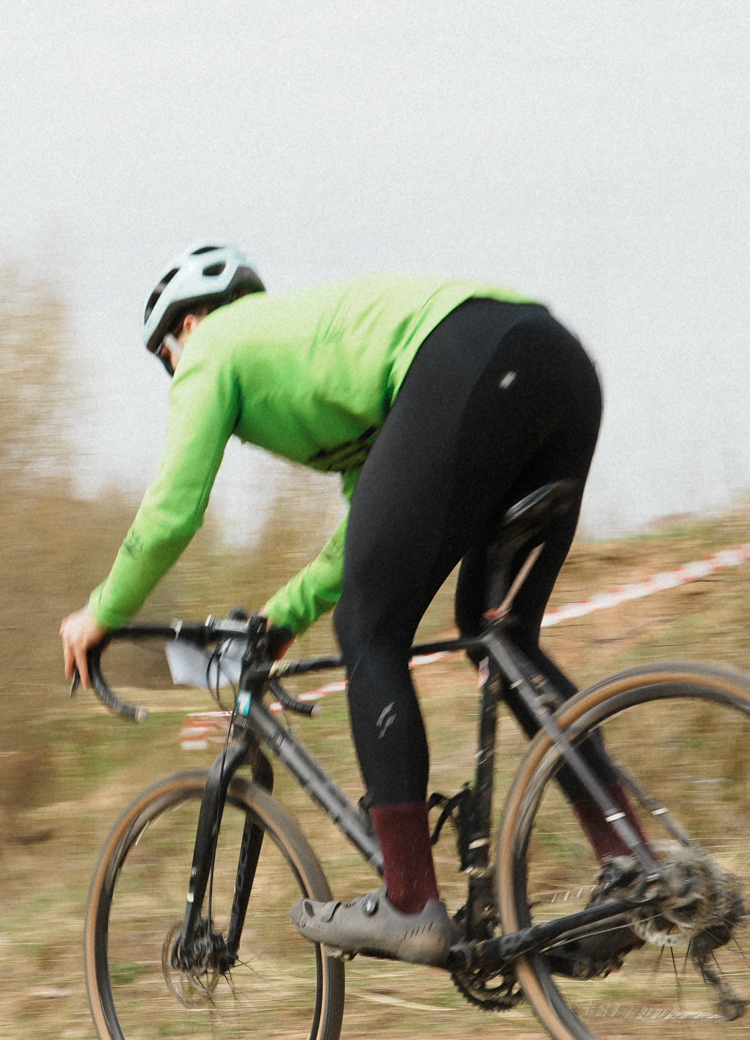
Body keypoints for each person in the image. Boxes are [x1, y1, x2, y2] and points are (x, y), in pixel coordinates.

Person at [59, 245, 627, 967]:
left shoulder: (216, 348)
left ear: (190, 324)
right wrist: (283, 615)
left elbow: (173, 512)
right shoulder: (327, 363)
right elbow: (367, 531)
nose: (172, 368)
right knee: (500, 635)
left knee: (368, 626)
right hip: (551, 362)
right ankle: (632, 863)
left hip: (469, 358)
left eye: (166, 349)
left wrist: (102, 611)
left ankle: (411, 902)